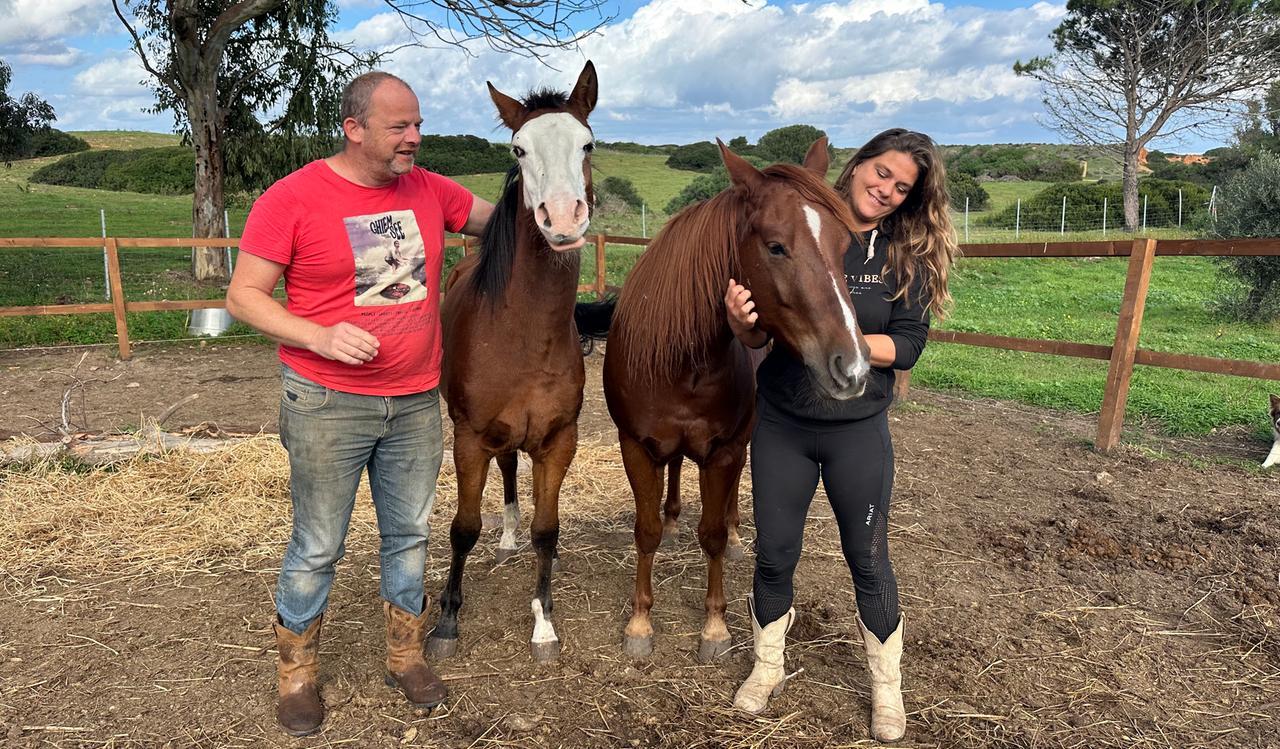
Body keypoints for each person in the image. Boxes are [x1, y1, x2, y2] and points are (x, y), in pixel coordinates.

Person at [226, 71, 494, 737]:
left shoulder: (430, 189)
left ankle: (404, 656)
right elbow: (243, 295)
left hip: (412, 404)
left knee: (408, 534)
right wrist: (318, 333)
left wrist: (553, 182)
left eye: (418, 125)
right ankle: (296, 675)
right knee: (318, 542)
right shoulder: (292, 198)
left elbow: (507, 218)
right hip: (325, 401)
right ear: (354, 128)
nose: (415, 138)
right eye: (400, 126)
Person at [724, 128, 958, 741]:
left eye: (901, 187)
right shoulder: (804, 226)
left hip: (857, 430)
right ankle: (767, 665)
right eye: (880, 172)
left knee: (870, 561)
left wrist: (850, 345)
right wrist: (741, 323)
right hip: (783, 424)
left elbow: (907, 346)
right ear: (857, 166)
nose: (885, 189)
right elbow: (763, 333)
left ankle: (886, 688)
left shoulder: (903, 257)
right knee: (775, 551)